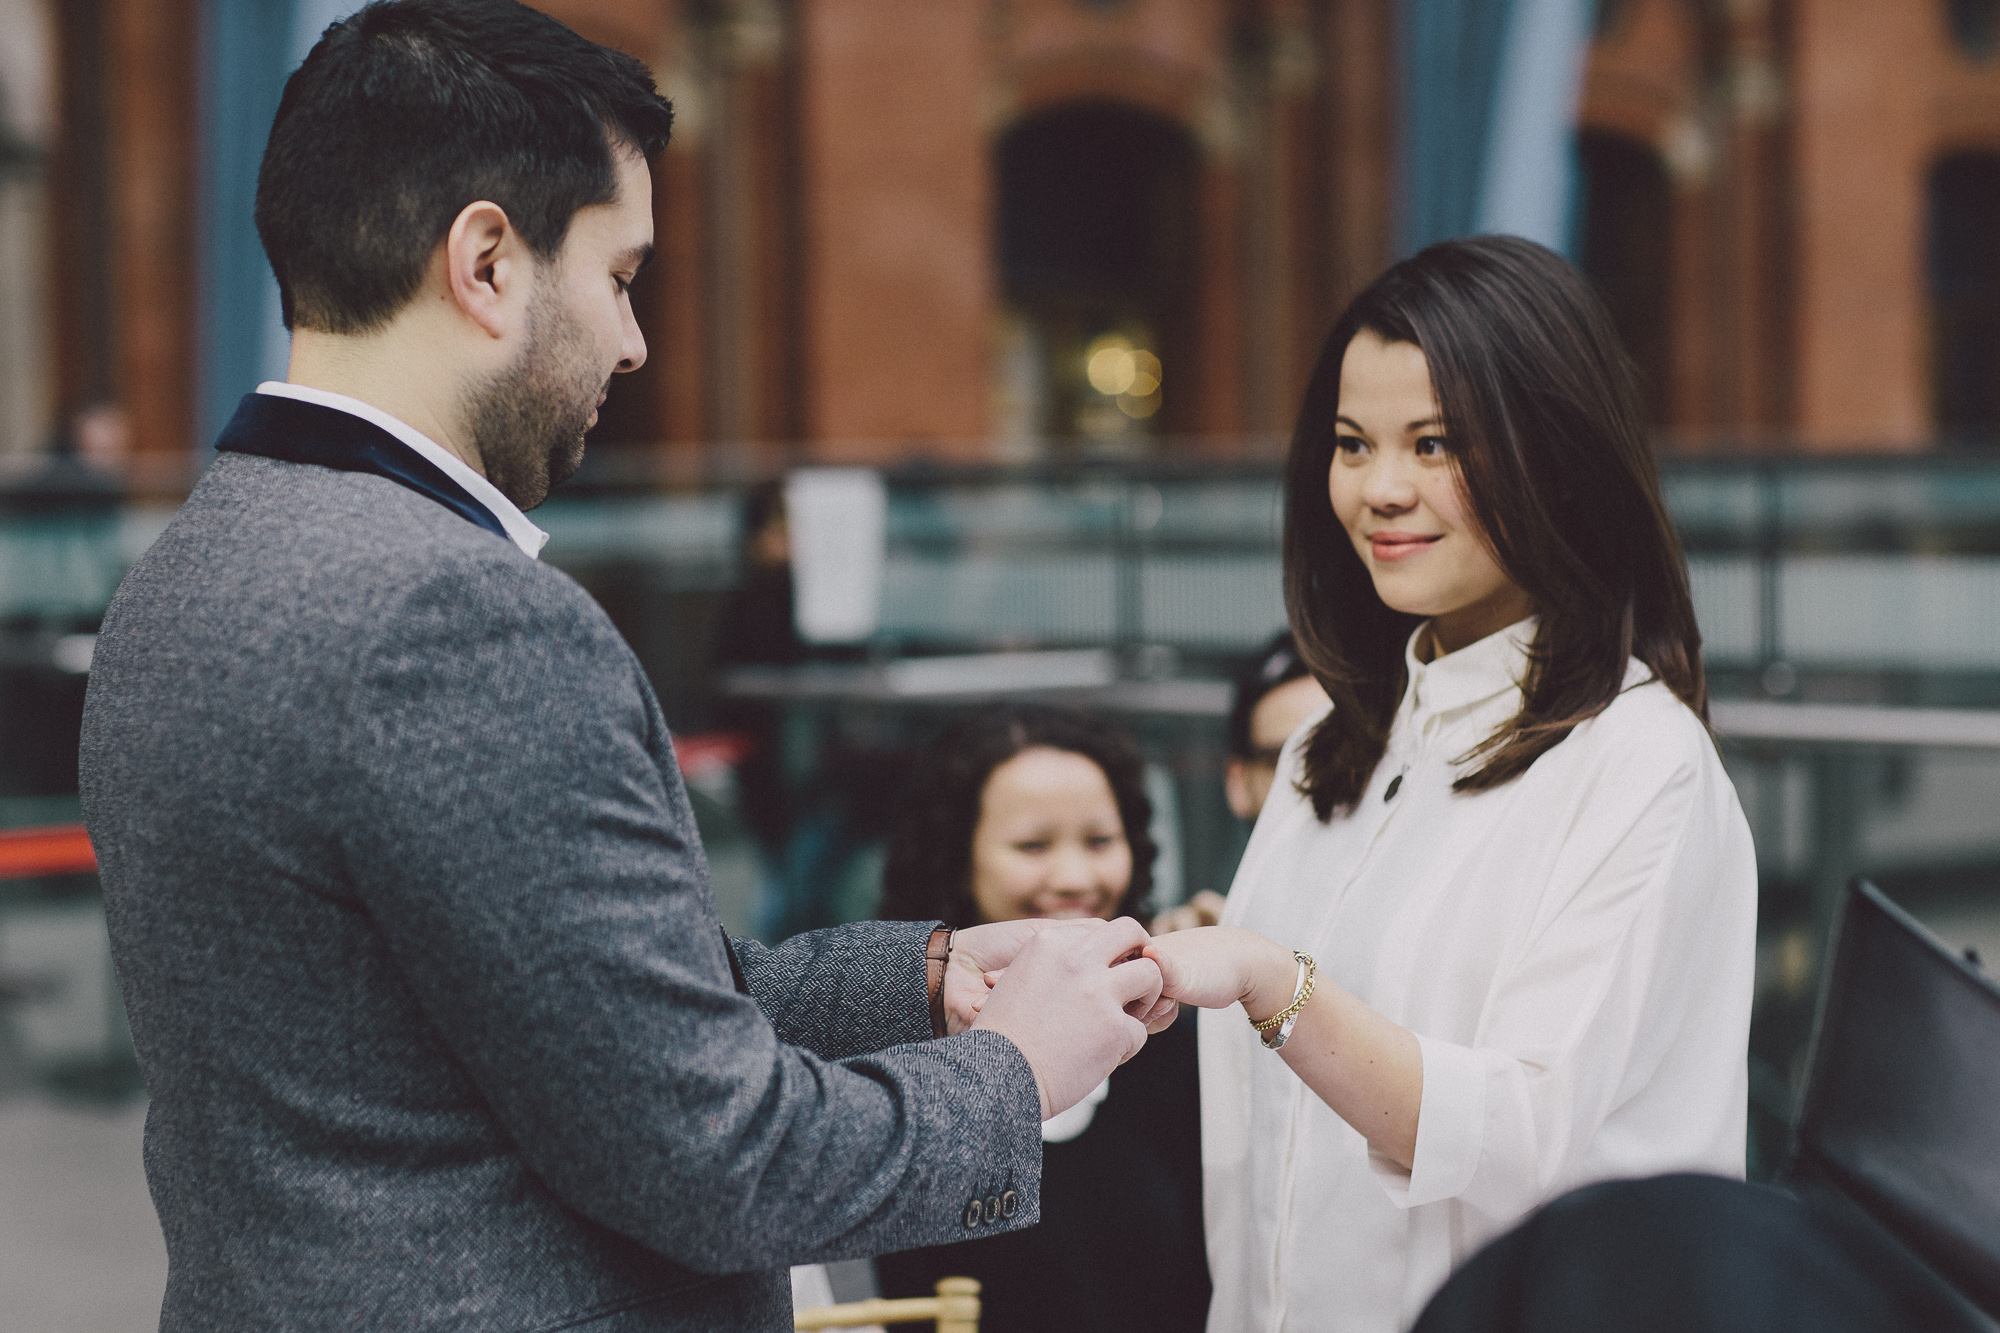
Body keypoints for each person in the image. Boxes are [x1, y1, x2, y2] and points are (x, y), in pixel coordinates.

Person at [76, 5, 1172, 1330]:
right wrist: (1014, 1072)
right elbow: (715, 1157)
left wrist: (925, 981)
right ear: (487, 260)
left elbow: (584, 999)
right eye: (621, 275)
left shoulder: (183, 569)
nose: (635, 342)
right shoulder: (463, 619)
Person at [1143, 236, 1758, 1332]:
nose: (1380, 489)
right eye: (1351, 443)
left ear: (1557, 456)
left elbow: (1521, 1136)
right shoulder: (1329, 744)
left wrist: (1267, 977)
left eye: (1435, 444)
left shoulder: (1638, 766)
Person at [874, 705, 1209, 1333]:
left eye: (1100, 841)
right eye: (1033, 845)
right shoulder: (890, 1057)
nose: (1075, 877)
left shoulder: (1175, 1043)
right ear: (955, 853)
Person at [1154, 632, 1333, 935]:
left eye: (1340, 756)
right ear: (1238, 782)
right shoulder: (1210, 931)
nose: (1315, 782)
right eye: (1281, 761)